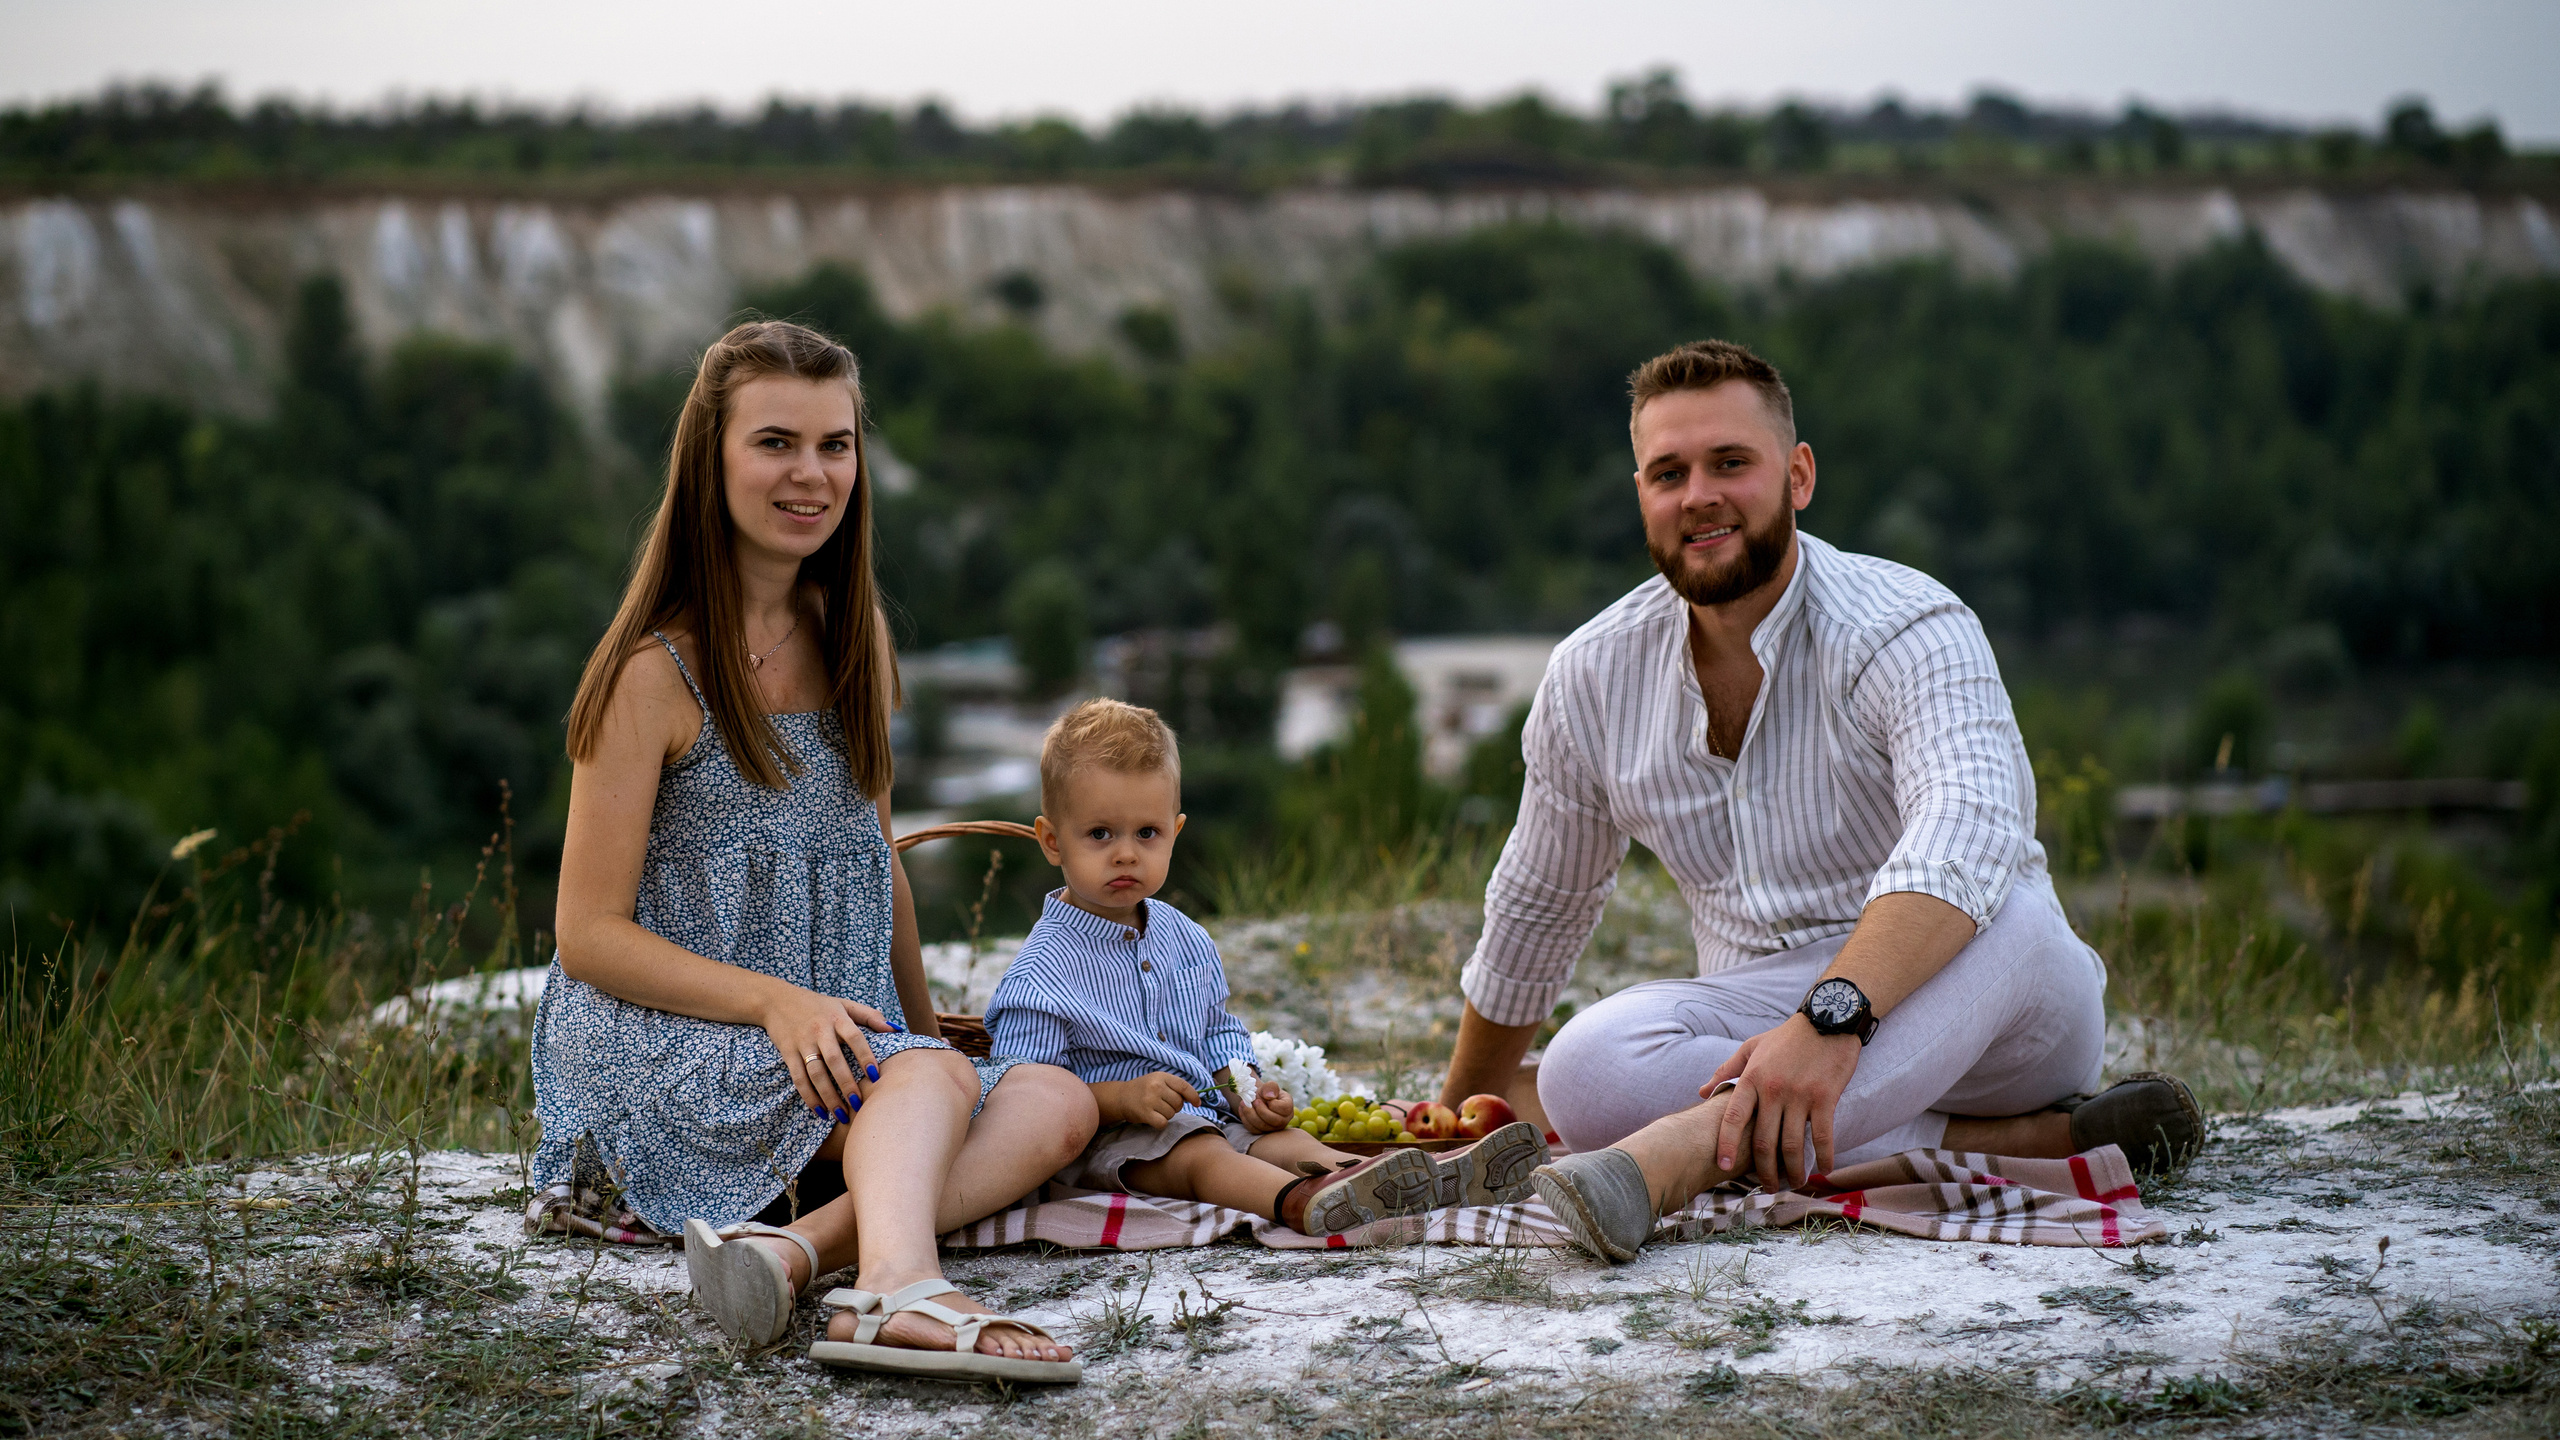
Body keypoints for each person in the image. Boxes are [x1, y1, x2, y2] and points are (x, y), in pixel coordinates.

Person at [1433, 339, 2201, 1263]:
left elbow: (1967, 834)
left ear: (1797, 476)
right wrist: (1450, 1116)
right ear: (1640, 493)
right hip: (1765, 1016)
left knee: (2019, 915)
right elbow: (1541, 904)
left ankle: (1673, 1159)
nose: (1699, 495)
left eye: (1730, 463)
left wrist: (1831, 1022)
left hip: (1996, 1009)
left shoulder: (1909, 625)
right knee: (1583, 1066)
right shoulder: (1592, 675)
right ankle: (2000, 1145)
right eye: (1668, 473)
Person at [533, 320, 1093, 1383]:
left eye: (835, 445)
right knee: (933, 1093)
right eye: (776, 443)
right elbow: (586, 934)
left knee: (1051, 1099)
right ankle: (897, 1288)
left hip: (825, 1041)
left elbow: (869, 858)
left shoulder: (853, 634)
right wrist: (775, 1003)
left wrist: (930, 1038)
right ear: (712, 458)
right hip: (667, 1032)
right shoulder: (653, 673)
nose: (812, 474)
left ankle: (790, 1257)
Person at [986, 700, 1546, 1233]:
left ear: (1175, 832)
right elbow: (1022, 1097)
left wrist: (1245, 1089)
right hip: (1112, 1143)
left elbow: (1215, 1033)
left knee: (1285, 1143)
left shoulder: (1186, 938)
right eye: (1100, 834)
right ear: (1052, 841)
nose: (1126, 853)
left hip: (1208, 1113)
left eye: (1147, 833)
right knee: (1198, 1154)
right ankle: (1296, 1203)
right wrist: (1114, 1098)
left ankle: (1366, 1179)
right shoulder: (1041, 975)